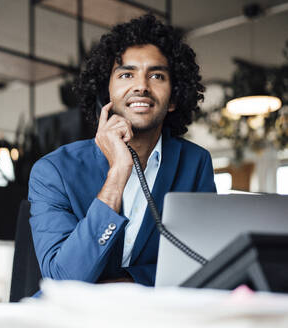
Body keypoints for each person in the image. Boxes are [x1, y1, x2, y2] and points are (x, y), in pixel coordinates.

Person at [28, 14, 216, 287]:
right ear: (106, 94)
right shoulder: (53, 171)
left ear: (173, 98)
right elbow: (64, 278)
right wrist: (118, 173)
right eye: (126, 74)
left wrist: (128, 281)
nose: (141, 86)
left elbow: (202, 263)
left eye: (157, 75)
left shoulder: (195, 164)